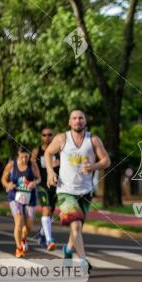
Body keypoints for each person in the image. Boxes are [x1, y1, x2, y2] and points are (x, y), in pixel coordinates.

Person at [43, 110, 110, 273]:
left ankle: (67, 249)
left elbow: (106, 161)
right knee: (76, 226)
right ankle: (83, 261)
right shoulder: (62, 138)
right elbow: (48, 153)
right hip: (65, 190)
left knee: (77, 228)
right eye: (74, 118)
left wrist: (93, 166)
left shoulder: (93, 140)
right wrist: (51, 172)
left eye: (81, 118)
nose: (78, 120)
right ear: (69, 122)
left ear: (85, 121)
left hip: (85, 191)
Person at [1, 146, 40, 257]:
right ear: (18, 155)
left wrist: (35, 183)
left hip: (29, 196)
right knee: (19, 220)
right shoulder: (11, 165)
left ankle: (24, 238)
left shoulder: (32, 164)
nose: (24, 160)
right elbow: (3, 179)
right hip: (14, 196)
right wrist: (7, 184)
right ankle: (18, 248)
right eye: (22, 157)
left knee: (29, 226)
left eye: (26, 157)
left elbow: (39, 178)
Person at [32, 127, 60, 250]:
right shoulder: (36, 151)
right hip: (42, 185)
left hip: (56, 185)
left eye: (49, 134)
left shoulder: (59, 151)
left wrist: (60, 164)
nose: (47, 137)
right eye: (44, 135)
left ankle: (42, 234)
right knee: (46, 209)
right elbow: (31, 166)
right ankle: (49, 240)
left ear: (53, 136)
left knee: (51, 212)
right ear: (41, 137)